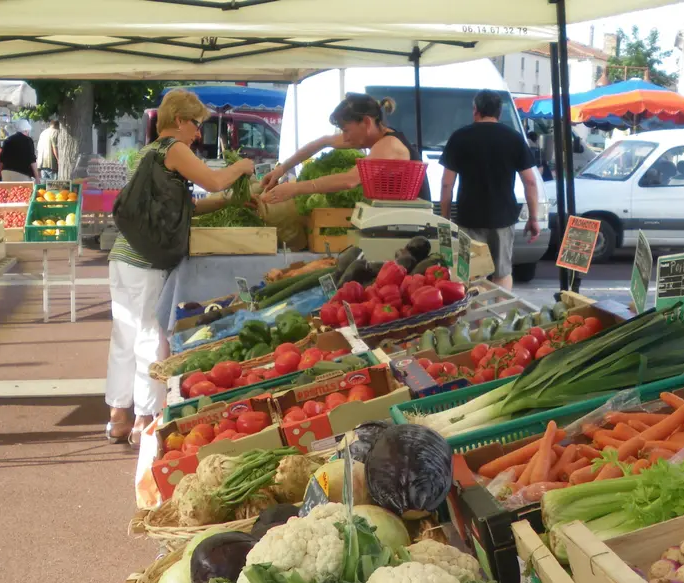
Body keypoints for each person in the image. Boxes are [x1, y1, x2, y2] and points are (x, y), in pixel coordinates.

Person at [105, 90, 253, 445]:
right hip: (147, 262)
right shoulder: (174, 148)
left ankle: (117, 416)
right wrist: (243, 168)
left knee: (124, 336)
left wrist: (229, 201)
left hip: (122, 257)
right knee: (149, 336)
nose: (199, 133)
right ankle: (144, 419)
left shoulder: (147, 154)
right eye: (197, 124)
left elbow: (187, 207)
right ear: (179, 121)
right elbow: (215, 181)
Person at [439, 90, 541, 290]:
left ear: (475, 110)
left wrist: (445, 217)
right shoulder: (513, 138)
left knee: (471, 273)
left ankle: (475, 320)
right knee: (502, 272)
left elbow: (446, 184)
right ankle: (499, 317)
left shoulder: (459, 137)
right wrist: (534, 218)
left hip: (469, 218)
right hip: (502, 218)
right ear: (499, 112)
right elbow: (530, 182)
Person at [259, 93, 430, 205]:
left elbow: (350, 180)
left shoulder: (389, 145)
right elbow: (322, 142)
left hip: (414, 227)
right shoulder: (369, 138)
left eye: (346, 129)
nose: (345, 137)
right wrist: (282, 169)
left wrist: (295, 188)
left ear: (367, 122)